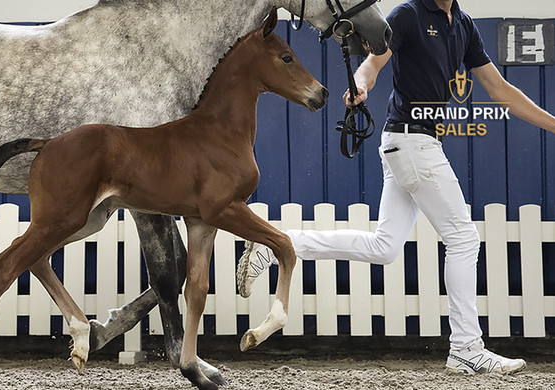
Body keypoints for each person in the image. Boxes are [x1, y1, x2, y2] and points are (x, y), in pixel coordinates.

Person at [237, 0, 555, 375]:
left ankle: (279, 243)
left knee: (384, 248)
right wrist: (359, 84)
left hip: (413, 144)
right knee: (464, 239)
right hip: (411, 142)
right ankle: (467, 348)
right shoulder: (408, 14)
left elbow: (500, 91)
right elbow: (373, 62)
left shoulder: (464, 26)